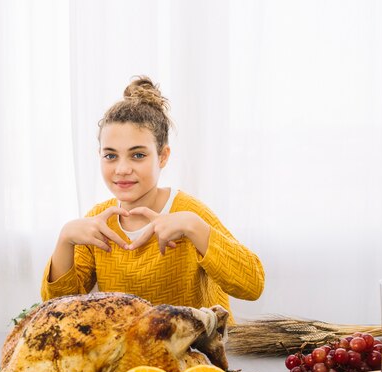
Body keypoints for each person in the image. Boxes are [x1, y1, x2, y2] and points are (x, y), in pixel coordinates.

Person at [40, 76, 264, 321]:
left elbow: (252, 285)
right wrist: (65, 240)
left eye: (137, 155)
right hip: (131, 355)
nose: (122, 169)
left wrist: (193, 227)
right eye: (110, 156)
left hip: (198, 355)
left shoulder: (189, 212)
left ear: (163, 157)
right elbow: (58, 310)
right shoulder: (98, 220)